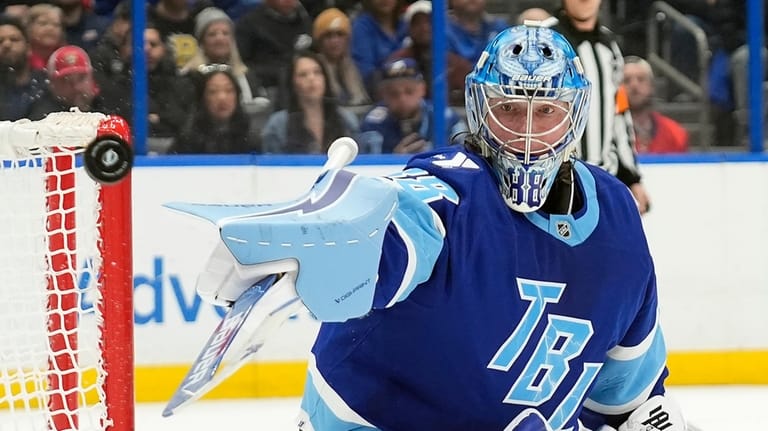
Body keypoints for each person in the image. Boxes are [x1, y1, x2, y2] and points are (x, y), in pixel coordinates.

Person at [189, 25, 686, 431]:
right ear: (480, 109)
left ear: (574, 118)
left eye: (547, 112)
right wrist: (327, 237)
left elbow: (628, 399)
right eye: (510, 108)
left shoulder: (617, 219)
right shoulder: (447, 193)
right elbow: (395, 222)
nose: (529, 133)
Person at [552, 0, 651, 214]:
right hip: (553, 183)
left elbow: (619, 115)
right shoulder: (546, 40)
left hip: (602, 180)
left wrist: (632, 178)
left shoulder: (609, 46)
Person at [360, 58, 467, 154]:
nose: (402, 99)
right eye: (393, 93)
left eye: (409, 91)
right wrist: (395, 159)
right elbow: (366, 166)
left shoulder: (446, 118)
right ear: (383, 94)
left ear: (422, 89)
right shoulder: (374, 123)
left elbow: (465, 156)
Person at [261, 51, 359, 154]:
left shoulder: (346, 120)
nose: (311, 78)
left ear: (325, 78)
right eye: (303, 75)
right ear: (293, 83)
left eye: (317, 72)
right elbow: (272, 167)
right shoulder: (277, 125)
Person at [181, 7, 271, 113]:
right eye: (212, 34)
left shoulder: (246, 75)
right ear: (201, 42)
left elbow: (262, 106)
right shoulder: (189, 76)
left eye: (225, 33)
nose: (220, 38)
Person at [388, 0, 473, 106]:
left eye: (429, 21)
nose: (424, 28)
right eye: (417, 23)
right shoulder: (396, 62)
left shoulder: (458, 65)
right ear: (408, 28)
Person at [172, 64, 261, 153]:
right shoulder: (187, 138)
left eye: (229, 90)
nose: (222, 98)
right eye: (213, 91)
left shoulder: (250, 137)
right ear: (202, 98)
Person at [623, 56, 689, 154]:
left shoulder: (675, 134)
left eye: (641, 79)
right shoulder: (609, 135)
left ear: (652, 86)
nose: (634, 85)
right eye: (626, 80)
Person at [27, 45, 105, 120]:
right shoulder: (43, 121)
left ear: (91, 77)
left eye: (81, 78)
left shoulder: (106, 106)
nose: (76, 87)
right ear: (52, 85)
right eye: (66, 80)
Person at [311, 7, 371, 107]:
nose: (334, 41)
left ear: (348, 39)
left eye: (340, 35)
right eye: (328, 36)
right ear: (319, 41)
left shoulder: (355, 67)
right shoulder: (314, 70)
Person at [0, 14, 47, 120]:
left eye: (14, 39)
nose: (7, 45)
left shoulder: (47, 85)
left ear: (29, 48)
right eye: (0, 41)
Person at [24, 3, 65, 71]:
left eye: (56, 24)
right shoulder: (21, 58)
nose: (50, 28)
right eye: (43, 23)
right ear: (29, 28)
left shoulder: (67, 56)